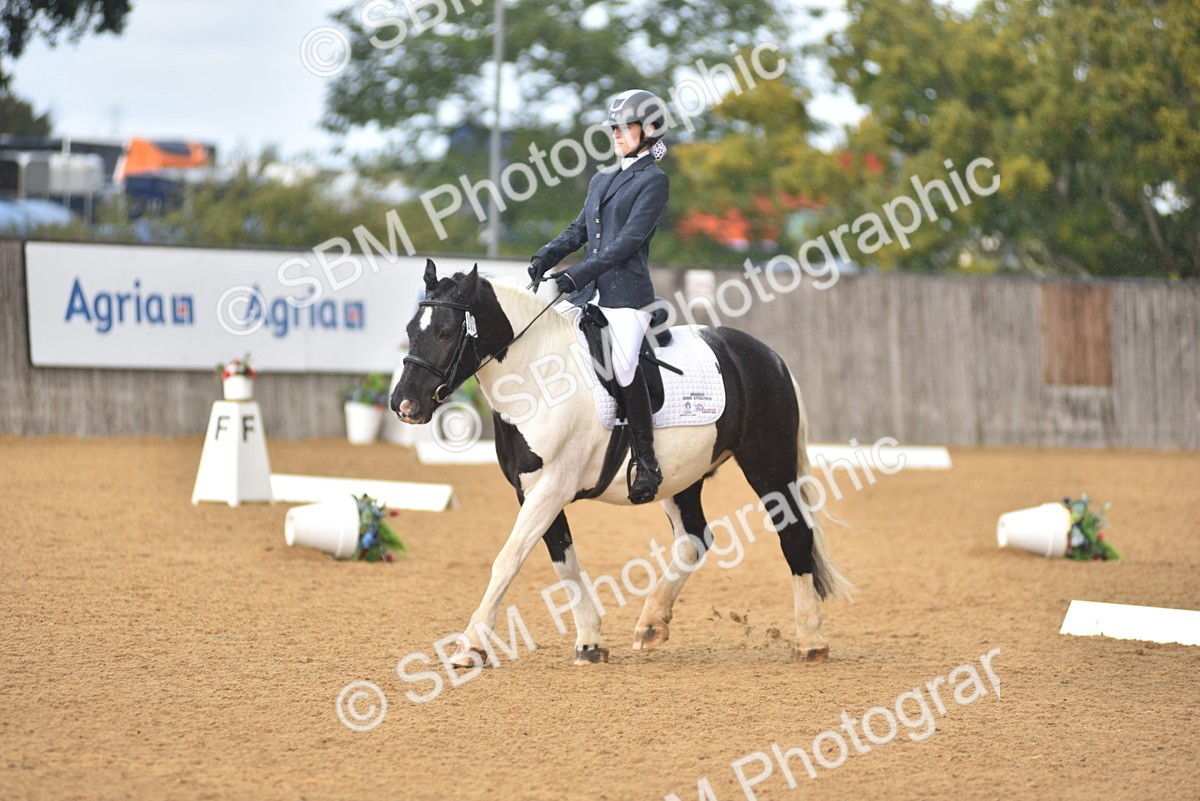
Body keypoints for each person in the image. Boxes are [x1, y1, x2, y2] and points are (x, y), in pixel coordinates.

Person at [529, 88, 671, 505]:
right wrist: (547, 255)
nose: (616, 134)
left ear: (648, 130)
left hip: (627, 298)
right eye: (614, 127)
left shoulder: (653, 182)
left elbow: (628, 242)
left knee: (623, 363)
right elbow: (578, 232)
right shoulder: (602, 179)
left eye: (624, 127)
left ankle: (646, 461)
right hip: (589, 295)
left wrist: (577, 274)